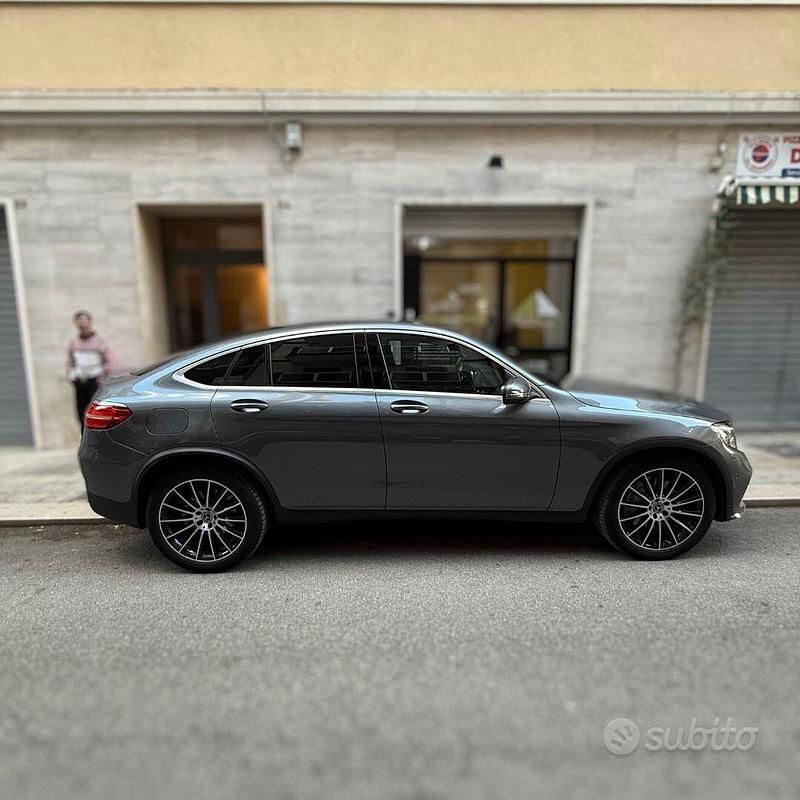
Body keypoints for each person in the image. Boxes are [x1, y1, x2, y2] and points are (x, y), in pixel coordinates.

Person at [67, 311, 113, 429]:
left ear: (90, 322)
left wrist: (101, 379)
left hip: (95, 382)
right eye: (79, 321)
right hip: (80, 382)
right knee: (80, 414)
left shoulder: (99, 342)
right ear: (76, 323)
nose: (82, 324)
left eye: (84, 320)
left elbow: (109, 362)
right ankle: (83, 439)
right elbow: (71, 362)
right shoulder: (74, 343)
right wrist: (72, 377)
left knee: (94, 413)